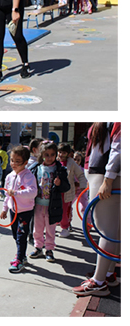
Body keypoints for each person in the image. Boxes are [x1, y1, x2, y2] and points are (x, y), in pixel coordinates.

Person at [72, 123, 120, 297]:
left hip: (106, 176)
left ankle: (99, 282)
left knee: (106, 230)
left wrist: (108, 180)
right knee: (113, 230)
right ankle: (108, 274)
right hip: (105, 175)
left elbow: (118, 147)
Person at [28, 142, 70, 263]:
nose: (50, 157)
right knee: (37, 228)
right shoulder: (36, 168)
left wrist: (60, 184)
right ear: (41, 155)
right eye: (47, 154)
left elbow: (66, 187)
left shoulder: (60, 169)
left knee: (51, 229)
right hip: (38, 204)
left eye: (52, 154)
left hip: (53, 206)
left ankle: (49, 249)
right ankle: (38, 247)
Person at [0, 145, 38, 273]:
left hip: (25, 211)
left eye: (17, 161)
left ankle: (19, 259)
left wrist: (16, 193)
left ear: (25, 163)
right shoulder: (9, 176)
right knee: (15, 234)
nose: (13, 164)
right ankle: (22, 255)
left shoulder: (28, 176)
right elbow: (6, 194)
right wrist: (5, 208)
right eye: (11, 160)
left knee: (21, 235)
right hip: (13, 210)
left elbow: (32, 192)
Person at [57, 143, 87, 237]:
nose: (61, 155)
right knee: (54, 210)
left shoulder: (72, 163)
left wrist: (82, 186)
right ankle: (55, 225)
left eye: (64, 153)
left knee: (65, 210)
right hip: (56, 191)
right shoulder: (55, 161)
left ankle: (65, 227)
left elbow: (80, 175)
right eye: (60, 152)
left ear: (69, 154)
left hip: (67, 192)